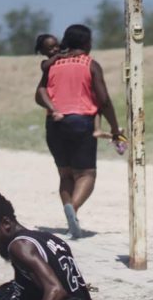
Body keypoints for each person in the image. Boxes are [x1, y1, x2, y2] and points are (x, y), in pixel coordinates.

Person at [35, 24, 122, 239]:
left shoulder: (52, 66)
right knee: (86, 174)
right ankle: (72, 209)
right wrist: (113, 127)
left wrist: (54, 108)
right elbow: (103, 100)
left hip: (54, 124)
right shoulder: (90, 64)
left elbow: (39, 94)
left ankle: (69, 214)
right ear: (87, 43)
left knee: (65, 174)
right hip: (81, 122)